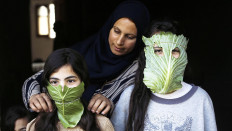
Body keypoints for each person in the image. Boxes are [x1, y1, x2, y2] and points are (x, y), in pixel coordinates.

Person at [110, 19, 222, 131]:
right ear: (147, 54)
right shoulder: (132, 94)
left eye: (174, 50)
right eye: (158, 50)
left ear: (183, 55)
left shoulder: (200, 98)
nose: (166, 56)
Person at [22, 0, 150, 116]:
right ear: (109, 27)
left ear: (139, 39)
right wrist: (34, 96)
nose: (119, 41)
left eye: (130, 37)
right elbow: (35, 79)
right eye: (116, 31)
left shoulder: (137, 68)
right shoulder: (79, 53)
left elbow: (130, 108)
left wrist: (110, 104)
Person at [24, 48, 118, 131]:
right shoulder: (34, 128)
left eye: (70, 81)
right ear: (47, 86)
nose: (62, 89)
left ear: (83, 83)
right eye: (54, 82)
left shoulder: (102, 125)